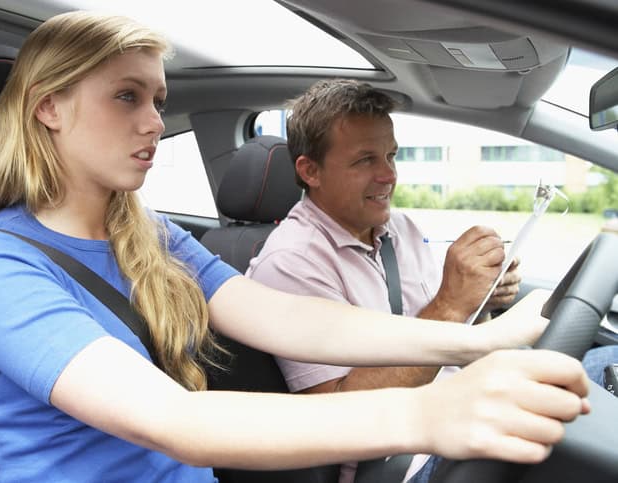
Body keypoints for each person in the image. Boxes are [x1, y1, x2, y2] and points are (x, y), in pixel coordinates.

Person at [0, 12, 592, 483]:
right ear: (49, 107)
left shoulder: (148, 232)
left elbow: (284, 315)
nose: (155, 121)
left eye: (158, 99)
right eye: (126, 96)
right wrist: (430, 411)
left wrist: (476, 343)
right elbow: (171, 419)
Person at [245, 78, 618, 482]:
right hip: (406, 463)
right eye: (365, 160)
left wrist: (482, 300)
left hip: (467, 406)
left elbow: (441, 340)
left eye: (391, 155)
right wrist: (451, 304)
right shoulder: (290, 262)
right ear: (310, 171)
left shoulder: (400, 229)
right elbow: (338, 414)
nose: (388, 175)